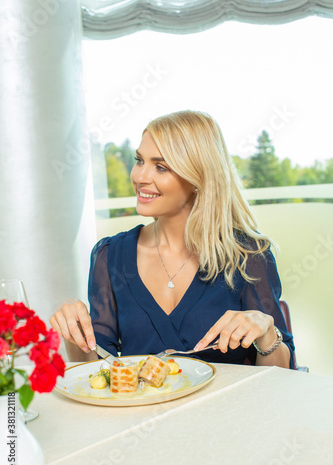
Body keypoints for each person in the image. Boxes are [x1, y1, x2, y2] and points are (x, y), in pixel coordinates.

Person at [50, 110, 295, 368]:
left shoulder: (249, 255)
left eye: (161, 167)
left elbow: (283, 377)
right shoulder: (110, 255)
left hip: (232, 409)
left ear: (197, 178)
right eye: (139, 160)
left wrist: (267, 333)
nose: (140, 177)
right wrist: (74, 332)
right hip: (146, 409)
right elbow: (97, 368)